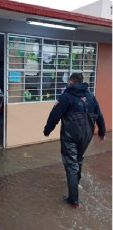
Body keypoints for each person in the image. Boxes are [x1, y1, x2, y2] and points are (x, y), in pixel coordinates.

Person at [43, 73, 105, 208]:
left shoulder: (66, 96)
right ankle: (77, 184)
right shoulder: (90, 96)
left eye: (69, 81)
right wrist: (102, 131)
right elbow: (99, 114)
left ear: (72, 81)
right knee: (78, 159)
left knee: (71, 165)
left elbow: (55, 114)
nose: (68, 83)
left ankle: (73, 200)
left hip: (70, 136)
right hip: (86, 135)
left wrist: (47, 130)